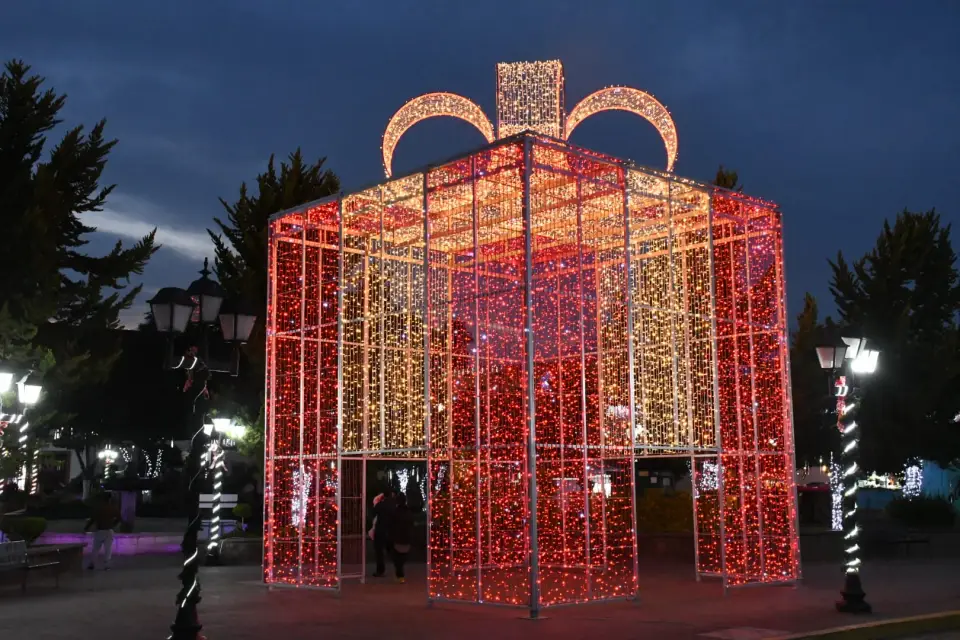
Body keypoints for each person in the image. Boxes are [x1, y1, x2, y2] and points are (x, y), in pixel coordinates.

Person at [85, 493, 120, 570]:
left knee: (95, 548)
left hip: (100, 530)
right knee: (108, 549)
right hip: (109, 530)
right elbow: (119, 518)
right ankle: (107, 565)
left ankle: (92, 564)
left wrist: (86, 528)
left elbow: (92, 519)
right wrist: (113, 525)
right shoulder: (112, 508)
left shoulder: (99, 508)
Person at [370, 488, 395, 577]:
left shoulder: (380, 504)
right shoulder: (393, 505)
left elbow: (373, 512)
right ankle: (398, 569)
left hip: (380, 529)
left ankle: (380, 570)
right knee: (391, 549)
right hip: (390, 530)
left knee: (379, 551)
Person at [390, 493, 414, 583]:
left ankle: (400, 575)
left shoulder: (395, 512)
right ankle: (400, 575)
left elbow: (391, 525)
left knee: (397, 558)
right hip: (406, 538)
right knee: (402, 558)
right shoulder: (408, 512)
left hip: (397, 538)